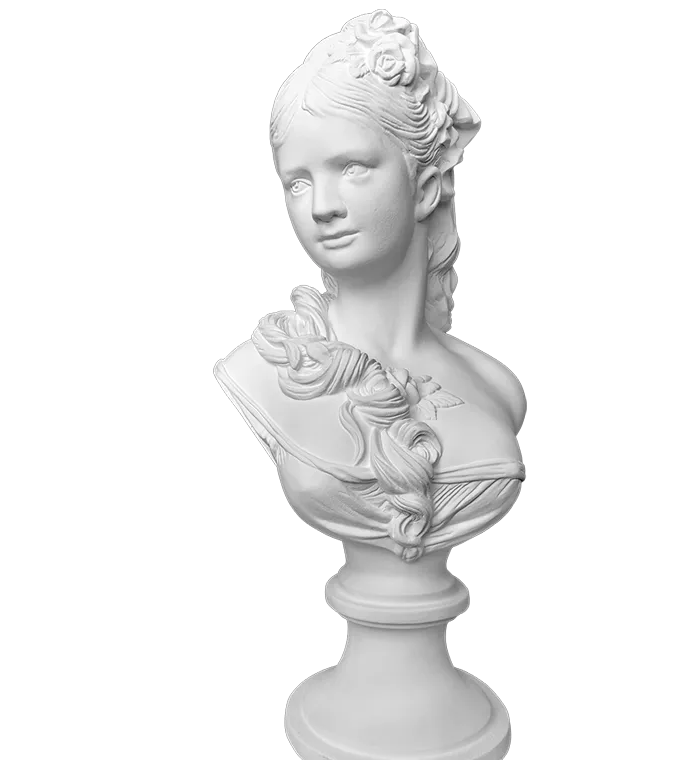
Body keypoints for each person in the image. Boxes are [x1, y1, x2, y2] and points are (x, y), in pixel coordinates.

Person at [215, 10, 526, 562]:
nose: (322, 207)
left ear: (424, 188)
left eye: (352, 167)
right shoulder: (260, 370)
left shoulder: (497, 387)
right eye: (298, 182)